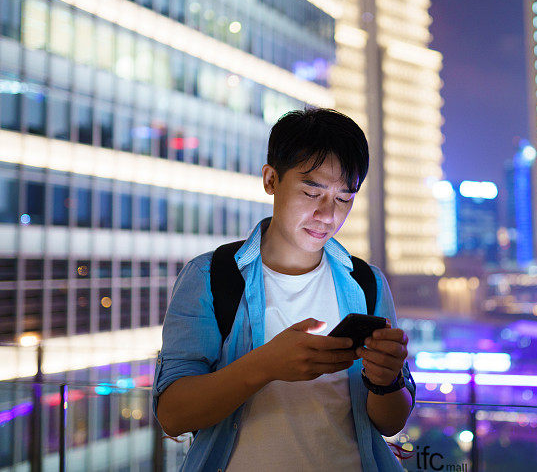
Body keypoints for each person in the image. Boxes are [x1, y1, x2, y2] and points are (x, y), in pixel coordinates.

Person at [152, 108, 415, 471]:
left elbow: (391, 421)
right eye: (312, 192)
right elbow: (173, 414)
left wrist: (386, 380)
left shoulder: (366, 282)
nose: (327, 215)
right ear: (271, 179)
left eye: (344, 198)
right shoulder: (211, 275)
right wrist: (267, 364)